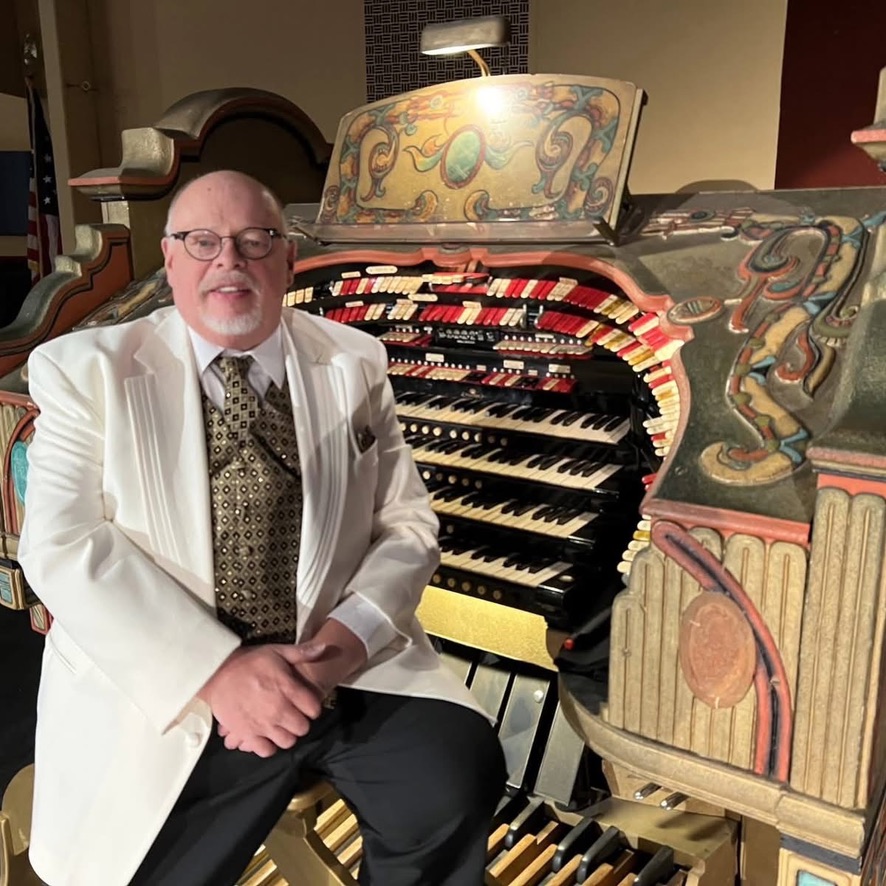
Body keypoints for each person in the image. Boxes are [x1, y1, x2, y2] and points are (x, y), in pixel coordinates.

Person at [19, 169, 506, 886]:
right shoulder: (82, 370)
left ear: (288, 259)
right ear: (171, 259)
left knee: (455, 774)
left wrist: (341, 646)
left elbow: (407, 525)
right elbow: (61, 546)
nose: (230, 261)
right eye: (203, 242)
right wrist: (218, 674)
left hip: (333, 662)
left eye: (255, 241)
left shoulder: (355, 359)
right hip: (170, 682)